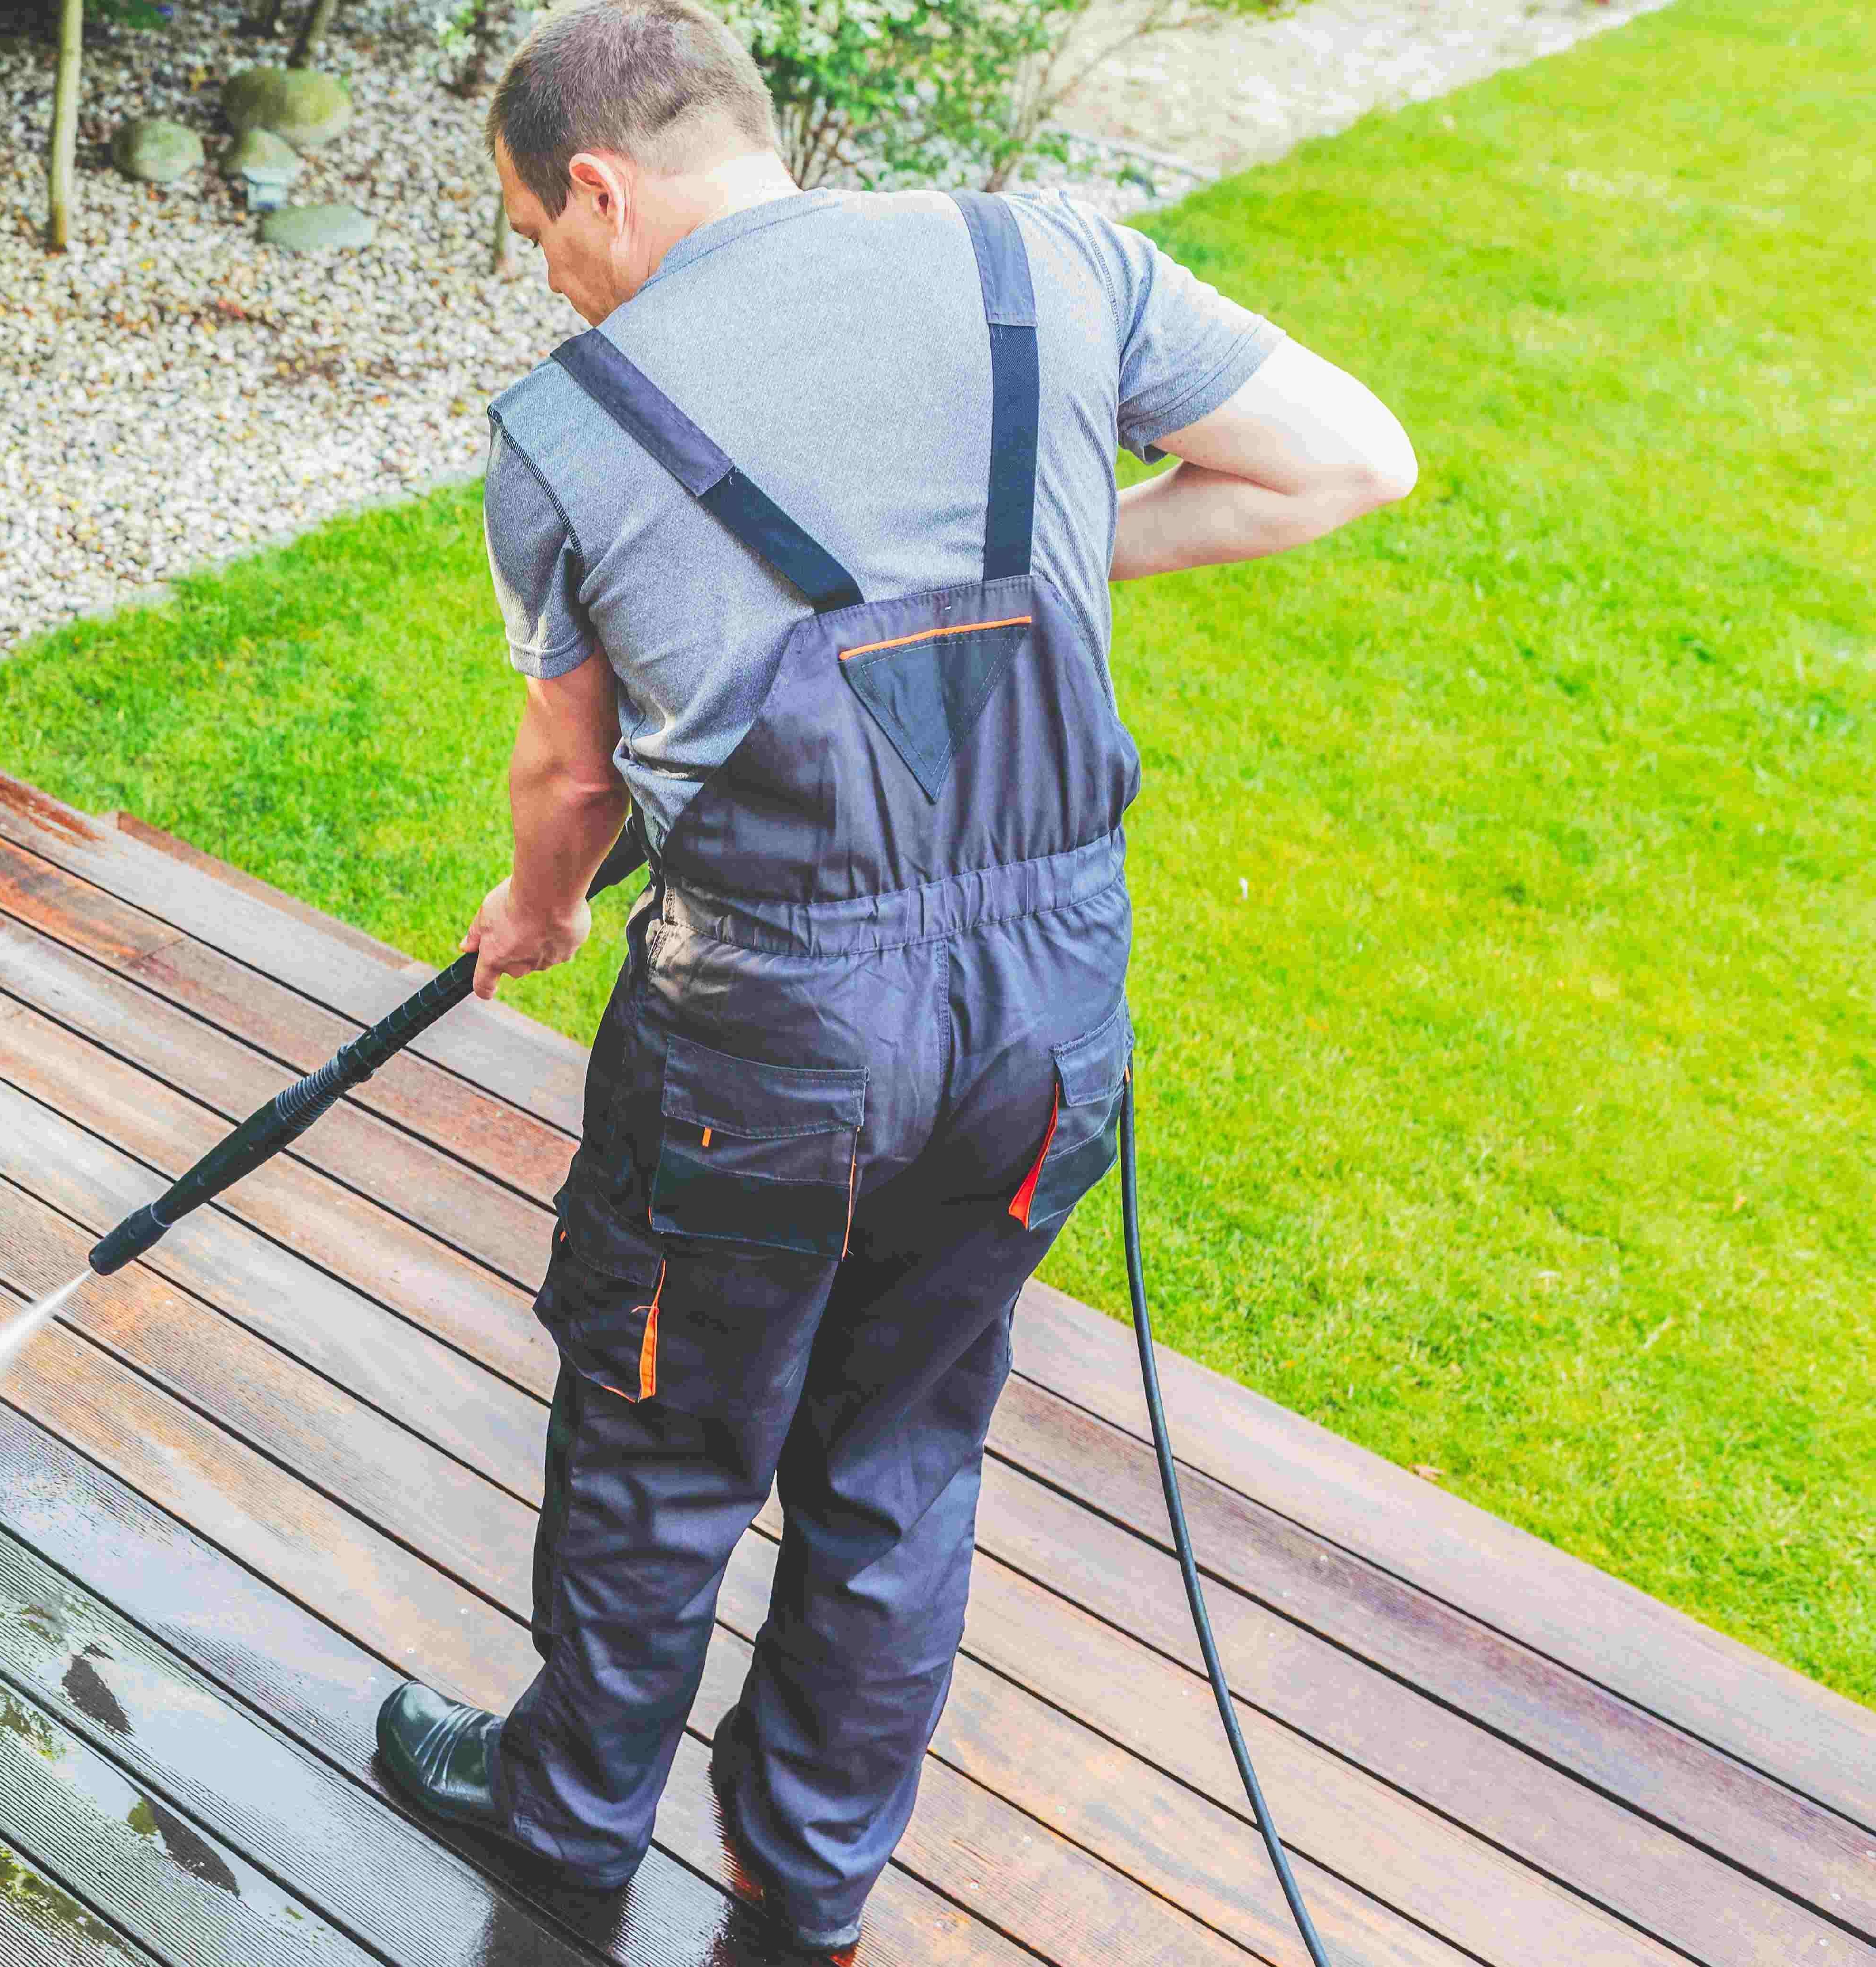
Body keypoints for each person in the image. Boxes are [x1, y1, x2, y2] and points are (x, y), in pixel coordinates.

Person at [367, 0, 1416, 1957]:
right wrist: (1042, 552)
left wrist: (537, 910)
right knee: (904, 1439)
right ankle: (806, 1879)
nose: (549, 279)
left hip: (765, 1033)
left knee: (665, 1433)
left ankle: (567, 1819)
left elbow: (570, 776)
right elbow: (1346, 460)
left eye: (535, 234)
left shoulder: (567, 430)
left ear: (595, 182)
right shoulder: (1053, 263)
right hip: (1045, 1015)